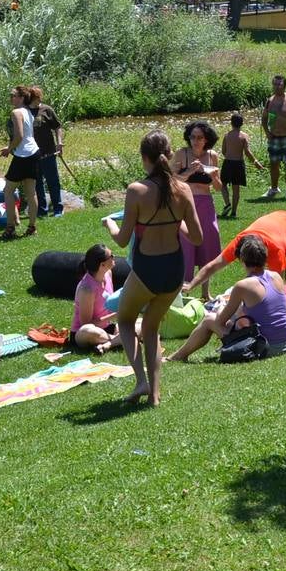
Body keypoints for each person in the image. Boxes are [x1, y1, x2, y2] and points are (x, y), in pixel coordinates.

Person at [104, 131, 203, 405]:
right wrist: (176, 222)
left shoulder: (137, 190)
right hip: (174, 270)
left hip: (148, 269)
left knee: (124, 320)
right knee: (151, 329)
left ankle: (141, 381)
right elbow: (197, 238)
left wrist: (110, 225)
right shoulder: (183, 190)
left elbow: (123, 239)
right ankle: (155, 395)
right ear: (170, 155)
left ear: (144, 157)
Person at [167, 235, 286, 362]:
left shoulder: (243, 286)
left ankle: (178, 356)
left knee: (209, 320)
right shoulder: (276, 276)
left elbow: (219, 321)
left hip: (265, 348)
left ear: (242, 259)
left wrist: (221, 306)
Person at [185, 209, 286, 303]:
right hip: (281, 221)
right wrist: (191, 285)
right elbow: (213, 266)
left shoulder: (276, 249)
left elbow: (277, 287)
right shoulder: (240, 243)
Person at [175, 120, 223, 299]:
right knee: (186, 245)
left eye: (199, 137)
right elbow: (172, 180)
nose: (195, 140)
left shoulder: (212, 156)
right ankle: (182, 291)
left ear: (207, 139)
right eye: (192, 137)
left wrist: (213, 176)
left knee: (208, 243)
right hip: (186, 203)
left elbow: (218, 187)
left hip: (206, 204)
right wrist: (188, 172)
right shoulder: (182, 154)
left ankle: (205, 292)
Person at [0, 85, 39, 239]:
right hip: (34, 152)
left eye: (13, 95)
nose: (11, 98)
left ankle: (10, 228)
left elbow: (20, 135)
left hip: (23, 155)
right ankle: (32, 227)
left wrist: (9, 149)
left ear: (21, 98)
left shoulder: (16, 112)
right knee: (31, 192)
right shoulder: (28, 111)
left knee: (8, 191)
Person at [72, 244, 119, 354]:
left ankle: (109, 344)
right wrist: (115, 315)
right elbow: (86, 324)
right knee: (89, 330)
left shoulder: (108, 274)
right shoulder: (87, 289)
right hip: (85, 333)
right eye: (111, 256)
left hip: (106, 329)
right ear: (102, 265)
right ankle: (121, 340)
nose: (114, 256)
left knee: (140, 322)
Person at [29, 86, 65, 218]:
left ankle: (58, 209)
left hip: (48, 152)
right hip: (32, 154)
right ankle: (42, 210)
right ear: (33, 98)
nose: (40, 99)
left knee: (53, 181)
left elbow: (57, 127)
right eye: (38, 96)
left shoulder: (46, 110)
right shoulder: (25, 111)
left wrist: (59, 143)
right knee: (37, 184)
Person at [219, 113, 263, 218]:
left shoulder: (227, 135)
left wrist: (229, 155)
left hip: (228, 162)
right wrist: (256, 162)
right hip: (238, 164)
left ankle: (227, 203)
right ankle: (234, 212)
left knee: (223, 185)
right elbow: (247, 152)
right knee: (236, 188)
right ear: (242, 123)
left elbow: (223, 151)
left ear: (231, 123)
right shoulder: (244, 136)